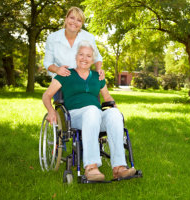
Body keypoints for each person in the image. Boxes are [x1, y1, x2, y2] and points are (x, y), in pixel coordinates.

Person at [42, 40, 136, 181]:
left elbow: (107, 97)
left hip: (96, 115)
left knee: (114, 114)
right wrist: (50, 110)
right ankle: (91, 167)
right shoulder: (65, 75)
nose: (84, 58)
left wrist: (114, 108)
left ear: (93, 60)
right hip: (74, 116)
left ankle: (119, 167)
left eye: (88, 56)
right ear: (76, 56)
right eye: (81, 54)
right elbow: (47, 95)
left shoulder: (97, 77)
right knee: (92, 110)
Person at [43, 7, 104, 99]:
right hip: (62, 82)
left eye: (79, 20)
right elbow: (47, 62)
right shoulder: (53, 38)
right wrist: (57, 69)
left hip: (84, 81)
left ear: (82, 24)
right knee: (64, 111)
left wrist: (99, 69)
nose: (75, 22)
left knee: (91, 107)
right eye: (72, 18)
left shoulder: (88, 37)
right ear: (66, 18)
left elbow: (97, 58)